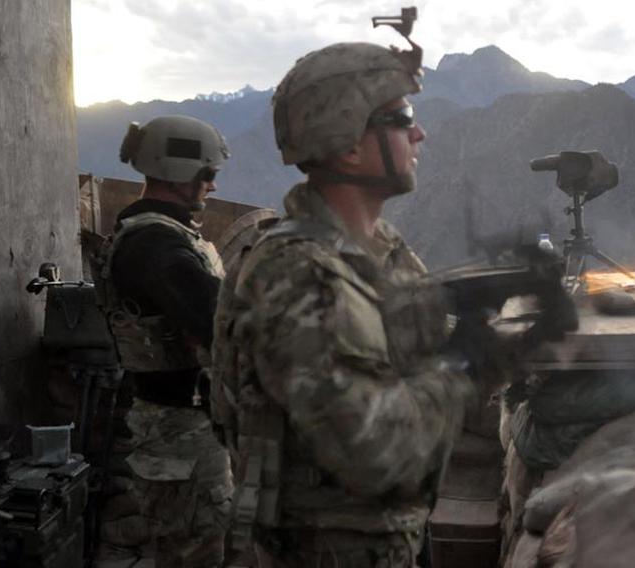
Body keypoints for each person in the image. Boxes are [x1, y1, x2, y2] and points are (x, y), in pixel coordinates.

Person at [210, 30, 492, 568]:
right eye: (402, 118)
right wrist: (468, 365)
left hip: (388, 539)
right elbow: (370, 454)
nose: (421, 134)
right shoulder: (294, 272)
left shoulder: (384, 251)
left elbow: (410, 369)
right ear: (347, 143)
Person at [93, 115, 233, 567]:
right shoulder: (156, 245)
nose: (211, 186)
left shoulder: (156, 235)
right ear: (178, 172)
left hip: (180, 429)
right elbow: (220, 322)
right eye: (207, 175)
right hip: (182, 435)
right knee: (194, 551)